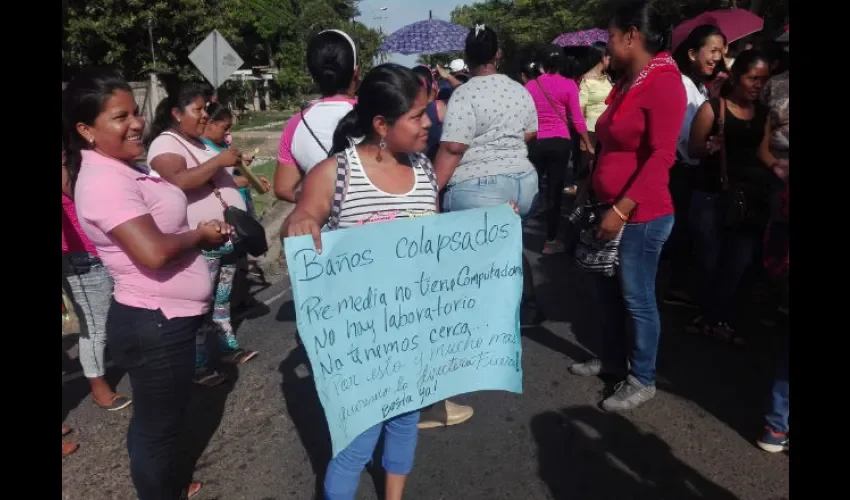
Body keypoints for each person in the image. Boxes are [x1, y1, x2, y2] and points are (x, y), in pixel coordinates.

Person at [65, 68, 229, 500]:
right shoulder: (102, 182)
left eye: (135, 112)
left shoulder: (123, 168)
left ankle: (169, 484)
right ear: (87, 130)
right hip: (153, 322)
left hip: (165, 319)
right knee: (156, 429)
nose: (136, 123)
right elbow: (153, 252)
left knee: (168, 419)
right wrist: (200, 235)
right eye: (119, 117)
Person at [282, 63, 434, 500]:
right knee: (356, 440)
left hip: (413, 326)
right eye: (417, 116)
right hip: (359, 338)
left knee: (405, 420)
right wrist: (300, 221)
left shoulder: (424, 170)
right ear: (382, 124)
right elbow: (304, 215)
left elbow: (435, 241)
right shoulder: (336, 172)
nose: (428, 124)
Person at [568, 1, 686, 412]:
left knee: (637, 297)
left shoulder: (664, 81)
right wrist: (591, 193)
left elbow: (661, 157)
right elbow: (608, 144)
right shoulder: (629, 81)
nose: (608, 44)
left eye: (611, 36)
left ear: (632, 36)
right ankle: (614, 361)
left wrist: (621, 210)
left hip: (643, 214)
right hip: (608, 204)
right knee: (608, 293)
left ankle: (643, 378)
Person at [147, 84, 258, 387]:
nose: (203, 115)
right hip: (202, 242)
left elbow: (216, 179)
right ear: (176, 113)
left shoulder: (199, 143)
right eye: (197, 109)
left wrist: (241, 178)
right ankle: (196, 364)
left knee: (220, 301)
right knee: (199, 306)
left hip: (228, 239)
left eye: (204, 109)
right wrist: (218, 161)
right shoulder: (165, 144)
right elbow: (179, 180)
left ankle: (227, 347)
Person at [433, 22, 543, 329]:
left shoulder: (464, 94)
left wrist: (430, 192)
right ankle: (526, 306)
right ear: (498, 53)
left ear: (466, 57)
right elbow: (530, 132)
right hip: (524, 183)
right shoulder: (518, 90)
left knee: (476, 257)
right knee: (509, 245)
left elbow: (453, 147)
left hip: (479, 186)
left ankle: (484, 323)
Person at [686, 51, 775, 344]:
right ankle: (709, 315)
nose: (757, 85)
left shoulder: (762, 113)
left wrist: (778, 167)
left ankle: (714, 318)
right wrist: (710, 145)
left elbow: (763, 152)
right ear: (737, 77)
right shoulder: (713, 109)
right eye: (752, 78)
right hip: (712, 195)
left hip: (749, 198)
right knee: (710, 262)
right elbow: (693, 149)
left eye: (762, 81)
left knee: (737, 263)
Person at [63, 148, 132, 412]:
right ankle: (98, 387)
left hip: (96, 248)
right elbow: (75, 193)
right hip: (78, 255)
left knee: (110, 315)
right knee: (94, 324)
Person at [664, 24, 727, 307]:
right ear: (692, 53)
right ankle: (673, 287)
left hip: (686, 172)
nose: (718, 57)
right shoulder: (683, 85)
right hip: (682, 173)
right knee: (680, 234)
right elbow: (688, 142)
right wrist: (714, 143)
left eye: (722, 51)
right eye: (713, 50)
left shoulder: (698, 85)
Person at [274, 30, 359, 202]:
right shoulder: (375, 114)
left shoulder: (297, 123)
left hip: (322, 225)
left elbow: (283, 188)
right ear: (355, 72)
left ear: (313, 75)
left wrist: (319, 201)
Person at [526, 44, 594, 254]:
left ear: (542, 64)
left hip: (536, 142)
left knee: (532, 190)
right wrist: (588, 143)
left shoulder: (530, 86)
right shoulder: (569, 85)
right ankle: (550, 241)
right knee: (555, 193)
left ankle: (518, 231)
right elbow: (577, 119)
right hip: (560, 143)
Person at [201, 102, 271, 217]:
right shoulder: (202, 149)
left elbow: (228, 172)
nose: (228, 132)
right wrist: (252, 180)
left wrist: (241, 163)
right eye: (225, 127)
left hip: (242, 199)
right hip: (226, 210)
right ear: (211, 123)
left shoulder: (222, 144)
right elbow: (214, 184)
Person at [576, 41, 612, 182]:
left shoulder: (607, 78)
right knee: (589, 174)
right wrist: (584, 140)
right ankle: (581, 202)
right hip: (591, 132)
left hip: (606, 131)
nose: (611, 59)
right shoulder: (586, 81)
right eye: (609, 56)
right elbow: (580, 112)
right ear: (602, 57)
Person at [411, 65, 446, 161]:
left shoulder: (410, 110)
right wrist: (447, 77)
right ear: (434, 85)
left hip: (417, 160)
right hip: (437, 161)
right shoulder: (439, 106)